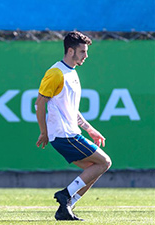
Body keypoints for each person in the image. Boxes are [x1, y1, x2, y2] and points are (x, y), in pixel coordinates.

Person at [35, 31, 112, 221]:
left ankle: (66, 208)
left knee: (95, 168)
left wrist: (90, 129)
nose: (86, 56)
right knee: (104, 162)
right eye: (82, 52)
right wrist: (44, 132)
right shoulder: (56, 73)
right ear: (70, 51)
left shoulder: (72, 73)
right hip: (63, 135)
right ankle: (66, 195)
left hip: (70, 132)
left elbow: (70, 109)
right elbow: (39, 103)